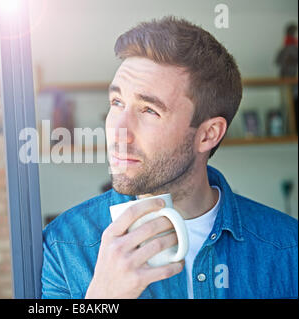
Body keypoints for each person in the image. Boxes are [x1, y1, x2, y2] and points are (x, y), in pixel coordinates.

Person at [40, 16, 298, 299]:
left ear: (208, 134)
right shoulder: (63, 246)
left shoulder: (288, 248)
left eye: (149, 110)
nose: (117, 132)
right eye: (117, 102)